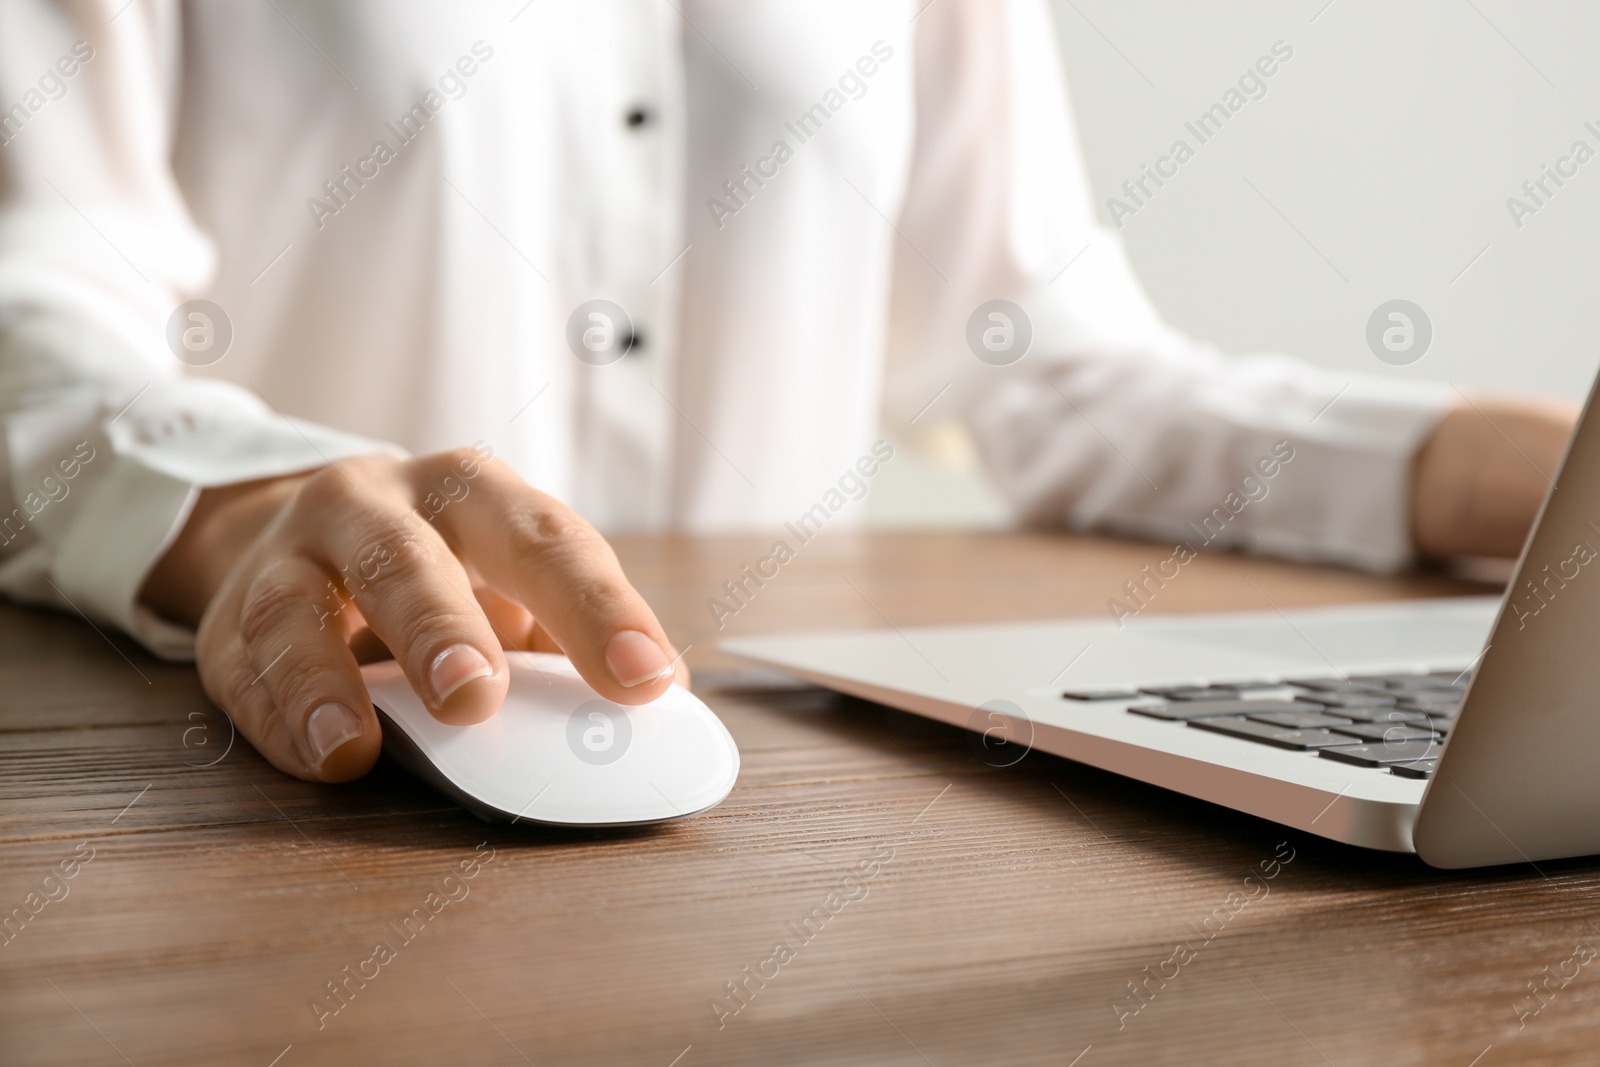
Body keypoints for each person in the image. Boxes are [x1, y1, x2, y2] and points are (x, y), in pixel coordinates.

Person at [0, 1, 1574, 785]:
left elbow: (1047, 361)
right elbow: (33, 301)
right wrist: (250, 497)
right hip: (300, 747)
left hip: (781, 758)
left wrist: (1500, 463)